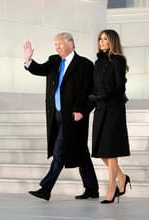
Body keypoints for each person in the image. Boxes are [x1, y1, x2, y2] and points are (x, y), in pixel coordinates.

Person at [23, 32, 99, 201]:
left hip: (73, 116)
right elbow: (39, 69)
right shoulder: (54, 60)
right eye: (55, 45)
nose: (57, 47)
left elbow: (89, 91)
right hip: (55, 114)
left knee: (59, 152)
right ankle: (92, 188)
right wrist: (28, 61)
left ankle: (46, 188)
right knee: (81, 152)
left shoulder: (84, 64)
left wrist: (82, 111)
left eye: (60, 44)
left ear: (71, 43)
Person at [89, 29, 131, 204]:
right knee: (101, 151)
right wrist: (85, 107)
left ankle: (111, 188)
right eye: (100, 39)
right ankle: (122, 177)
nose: (102, 42)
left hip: (114, 109)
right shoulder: (97, 63)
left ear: (112, 41)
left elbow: (120, 87)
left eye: (105, 39)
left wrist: (104, 96)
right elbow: (93, 87)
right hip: (100, 108)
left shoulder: (118, 60)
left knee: (111, 151)